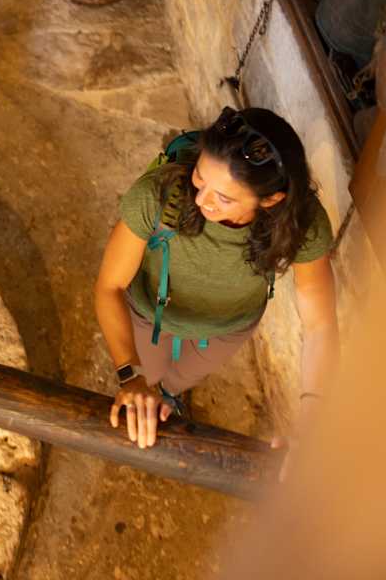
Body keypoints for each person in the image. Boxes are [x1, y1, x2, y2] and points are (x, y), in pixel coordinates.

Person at [94, 106, 340, 465]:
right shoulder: (158, 196)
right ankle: (159, 389)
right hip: (152, 314)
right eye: (199, 178)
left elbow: (320, 324)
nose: (200, 200)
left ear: (272, 201)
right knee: (151, 368)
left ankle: (170, 394)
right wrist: (131, 377)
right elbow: (109, 287)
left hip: (229, 328)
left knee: (182, 376)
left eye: (223, 198)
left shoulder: (304, 225)